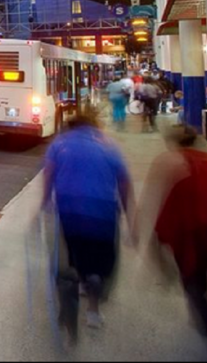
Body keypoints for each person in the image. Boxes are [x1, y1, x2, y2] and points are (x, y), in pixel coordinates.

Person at [42, 112, 137, 335]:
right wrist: (130, 216)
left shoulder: (59, 144)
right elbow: (124, 183)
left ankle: (76, 283)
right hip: (102, 212)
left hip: (69, 210)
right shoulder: (109, 145)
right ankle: (93, 310)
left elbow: (49, 174)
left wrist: (45, 202)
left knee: (76, 251)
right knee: (100, 262)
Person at [151, 125, 207, 336]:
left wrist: (158, 246)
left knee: (194, 282)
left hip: (193, 238)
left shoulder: (172, 166)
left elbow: (168, 214)